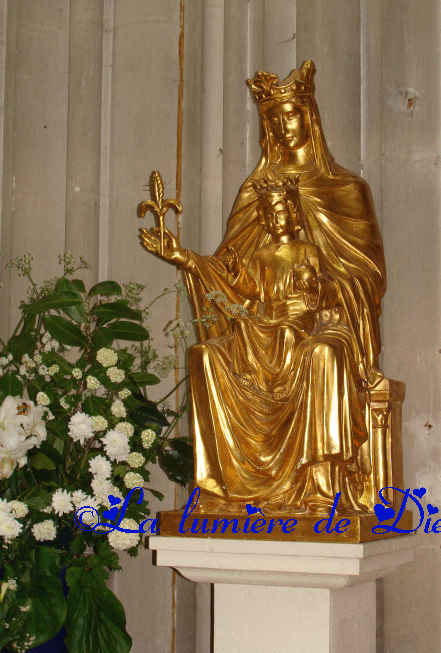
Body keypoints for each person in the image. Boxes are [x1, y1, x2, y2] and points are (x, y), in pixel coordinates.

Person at [140, 60, 386, 513]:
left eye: (290, 113)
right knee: (207, 356)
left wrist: (322, 292)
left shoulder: (346, 189)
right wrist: (185, 258)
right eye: (272, 118)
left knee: (322, 355)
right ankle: (221, 487)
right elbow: (233, 276)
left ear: (309, 116)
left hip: (324, 326)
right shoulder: (255, 192)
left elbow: (368, 280)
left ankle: (320, 485)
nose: (282, 125)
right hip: (262, 330)